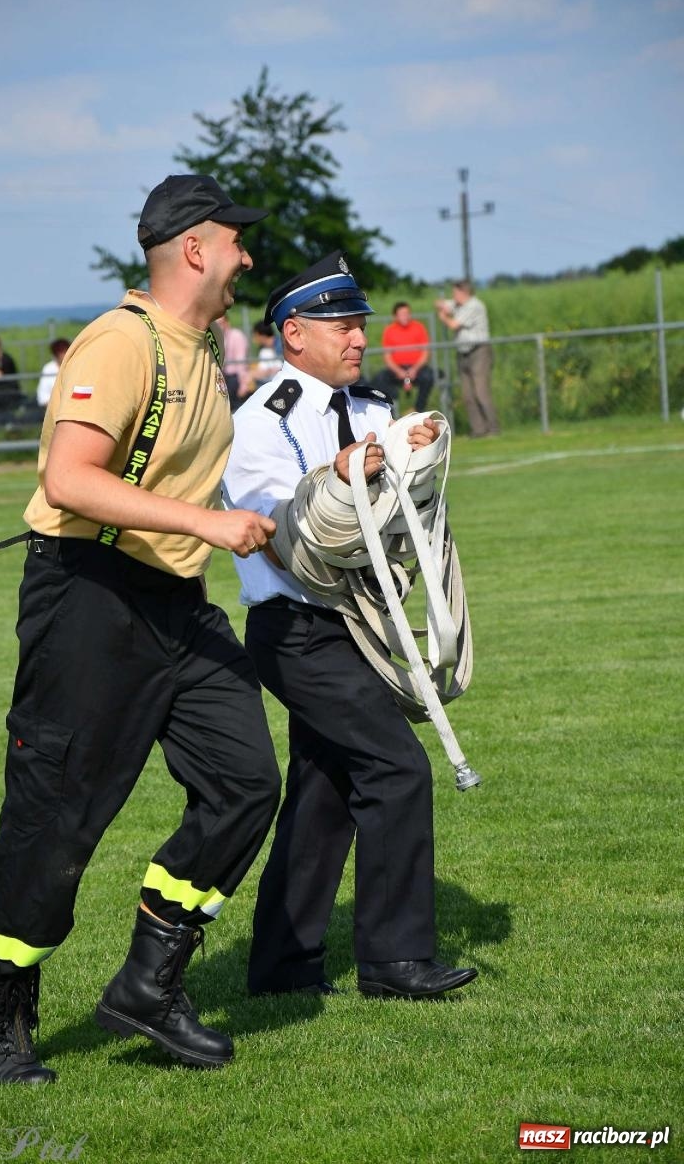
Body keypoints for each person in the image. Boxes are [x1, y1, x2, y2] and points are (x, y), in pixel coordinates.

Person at [0, 173, 282, 1085]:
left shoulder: (203, 346)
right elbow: (70, 478)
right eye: (236, 241)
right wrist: (210, 526)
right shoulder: (122, 341)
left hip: (174, 603)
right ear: (193, 249)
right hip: (89, 595)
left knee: (246, 782)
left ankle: (148, 984)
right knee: (59, 818)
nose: (245, 257)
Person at [222, 251, 478, 1000]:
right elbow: (277, 523)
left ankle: (282, 964)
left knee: (325, 791)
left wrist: (416, 455)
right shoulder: (257, 421)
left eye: (361, 323)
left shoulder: (374, 410)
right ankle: (395, 961)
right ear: (292, 333)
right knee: (396, 771)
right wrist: (342, 475)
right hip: (297, 630)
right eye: (342, 325)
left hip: (363, 620)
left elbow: (406, 515)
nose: (359, 337)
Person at [435, 281, 499, 437]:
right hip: (463, 352)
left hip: (479, 351)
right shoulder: (459, 305)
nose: (453, 296)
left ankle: (493, 428)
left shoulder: (474, 306)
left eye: (455, 293)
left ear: (464, 293)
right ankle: (478, 429)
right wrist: (442, 304)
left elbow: (454, 324)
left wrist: (443, 316)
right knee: (468, 394)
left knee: (481, 392)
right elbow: (445, 304)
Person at [374, 301, 433, 412]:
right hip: (397, 369)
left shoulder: (418, 327)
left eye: (407, 313)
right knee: (379, 379)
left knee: (428, 376)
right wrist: (398, 371)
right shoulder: (389, 330)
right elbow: (387, 356)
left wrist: (415, 369)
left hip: (417, 368)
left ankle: (418, 409)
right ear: (395, 316)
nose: (405, 317)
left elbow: (425, 353)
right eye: (402, 314)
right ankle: (390, 410)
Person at [216, 315, 250, 410]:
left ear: (227, 323)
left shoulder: (236, 336)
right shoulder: (221, 337)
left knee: (237, 408)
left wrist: (243, 384)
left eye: (221, 323)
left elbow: (241, 361)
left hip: (235, 378)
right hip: (225, 377)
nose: (218, 326)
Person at [36, 338, 71, 408]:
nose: (64, 354)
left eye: (65, 351)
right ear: (55, 354)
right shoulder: (48, 369)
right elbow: (43, 395)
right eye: (60, 352)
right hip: (53, 409)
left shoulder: (76, 366)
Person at [248, 320, 282, 388]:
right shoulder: (264, 349)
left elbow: (280, 368)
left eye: (255, 336)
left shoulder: (281, 346)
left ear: (262, 335)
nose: (254, 340)